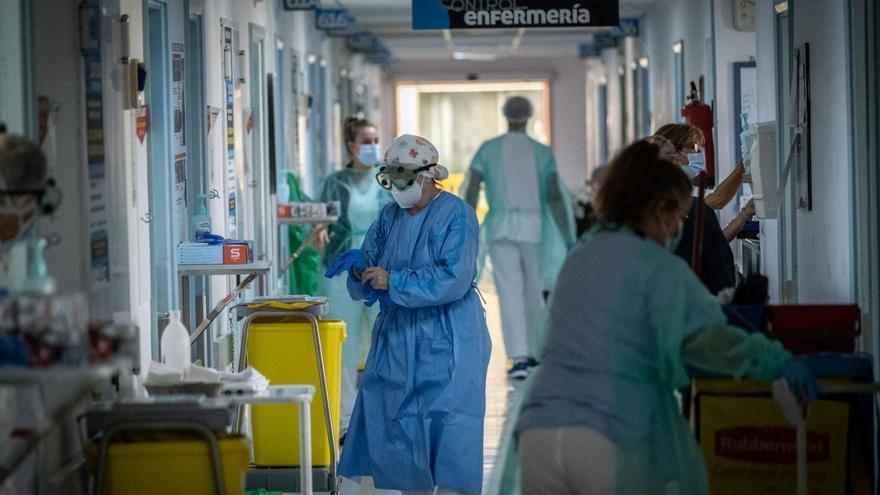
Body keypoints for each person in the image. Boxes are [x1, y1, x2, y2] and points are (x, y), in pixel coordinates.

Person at [515, 140, 818, 495]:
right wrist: (772, 360)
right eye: (677, 216)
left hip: (537, 429)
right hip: (608, 433)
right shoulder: (657, 267)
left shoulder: (582, 254)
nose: (677, 228)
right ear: (660, 210)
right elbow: (707, 341)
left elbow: (547, 337)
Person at [336, 134, 491, 495]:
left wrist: (394, 280)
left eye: (402, 175)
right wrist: (360, 270)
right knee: (398, 423)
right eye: (390, 176)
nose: (396, 186)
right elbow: (371, 262)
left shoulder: (457, 215)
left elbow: (454, 277)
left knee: (448, 424)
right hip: (397, 336)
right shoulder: (389, 216)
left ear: (427, 174)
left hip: (448, 334)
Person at [462, 96, 574, 380]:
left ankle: (519, 358)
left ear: (505, 115)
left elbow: (472, 189)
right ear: (529, 115)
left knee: (509, 291)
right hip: (534, 228)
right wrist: (568, 236)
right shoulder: (541, 152)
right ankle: (537, 352)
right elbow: (554, 196)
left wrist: (465, 224)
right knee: (533, 291)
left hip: (500, 228)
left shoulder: (489, 149)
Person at [318, 116, 390, 435]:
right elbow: (323, 222)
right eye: (367, 141)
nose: (374, 147)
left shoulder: (386, 180)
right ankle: (345, 420)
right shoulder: (335, 182)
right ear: (351, 145)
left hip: (379, 269)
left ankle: (381, 416)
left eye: (376, 140)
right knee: (344, 344)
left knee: (384, 339)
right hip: (341, 268)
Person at [653, 123, 746, 295]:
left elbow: (704, 245)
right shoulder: (688, 209)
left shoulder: (642, 208)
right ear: (676, 155)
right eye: (695, 147)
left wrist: (742, 216)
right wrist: (745, 165)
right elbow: (720, 274)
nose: (700, 153)